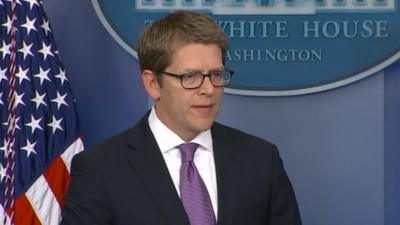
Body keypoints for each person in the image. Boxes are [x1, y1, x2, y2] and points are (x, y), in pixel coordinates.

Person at [60, 10, 302, 225]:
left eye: (216, 75)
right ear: (153, 83)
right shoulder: (100, 169)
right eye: (191, 77)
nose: (208, 89)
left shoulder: (260, 159)